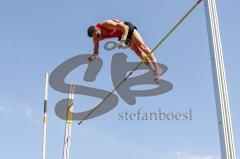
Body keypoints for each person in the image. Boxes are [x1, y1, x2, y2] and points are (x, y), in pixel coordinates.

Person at [87, 19, 163, 84]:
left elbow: (125, 27)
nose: (99, 37)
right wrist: (93, 57)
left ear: (97, 28)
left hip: (127, 29)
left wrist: (123, 40)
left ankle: (157, 67)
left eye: (98, 35)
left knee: (142, 46)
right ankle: (154, 71)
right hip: (121, 36)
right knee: (138, 52)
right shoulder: (96, 38)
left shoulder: (106, 24)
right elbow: (96, 52)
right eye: (96, 37)